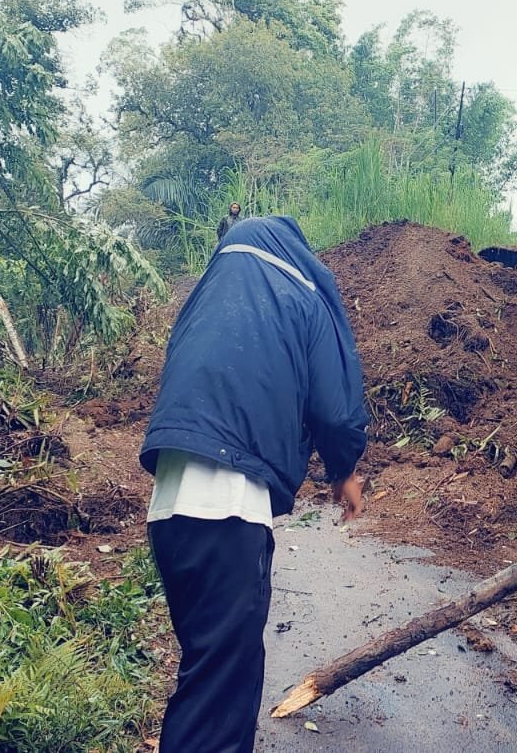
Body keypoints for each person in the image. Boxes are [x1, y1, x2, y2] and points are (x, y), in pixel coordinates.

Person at [141, 215, 369, 753]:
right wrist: (344, 471)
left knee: (206, 672)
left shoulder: (206, 296)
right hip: (229, 507)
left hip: (168, 507)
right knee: (222, 695)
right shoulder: (304, 293)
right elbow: (336, 411)